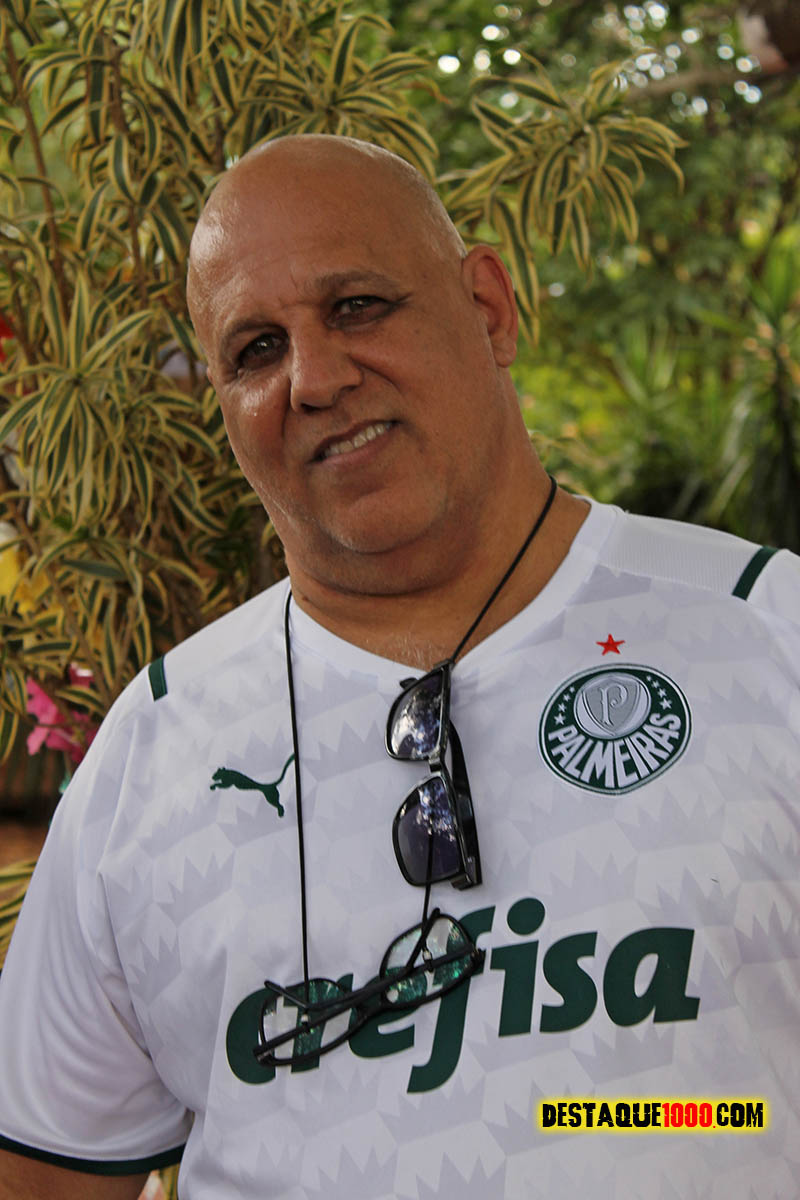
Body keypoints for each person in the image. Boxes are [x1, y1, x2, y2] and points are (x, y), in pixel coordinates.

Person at [0, 134, 798, 1200]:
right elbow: (42, 1175)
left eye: (358, 306)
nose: (315, 378)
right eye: (255, 350)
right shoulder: (153, 752)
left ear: (488, 308)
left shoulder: (764, 635)